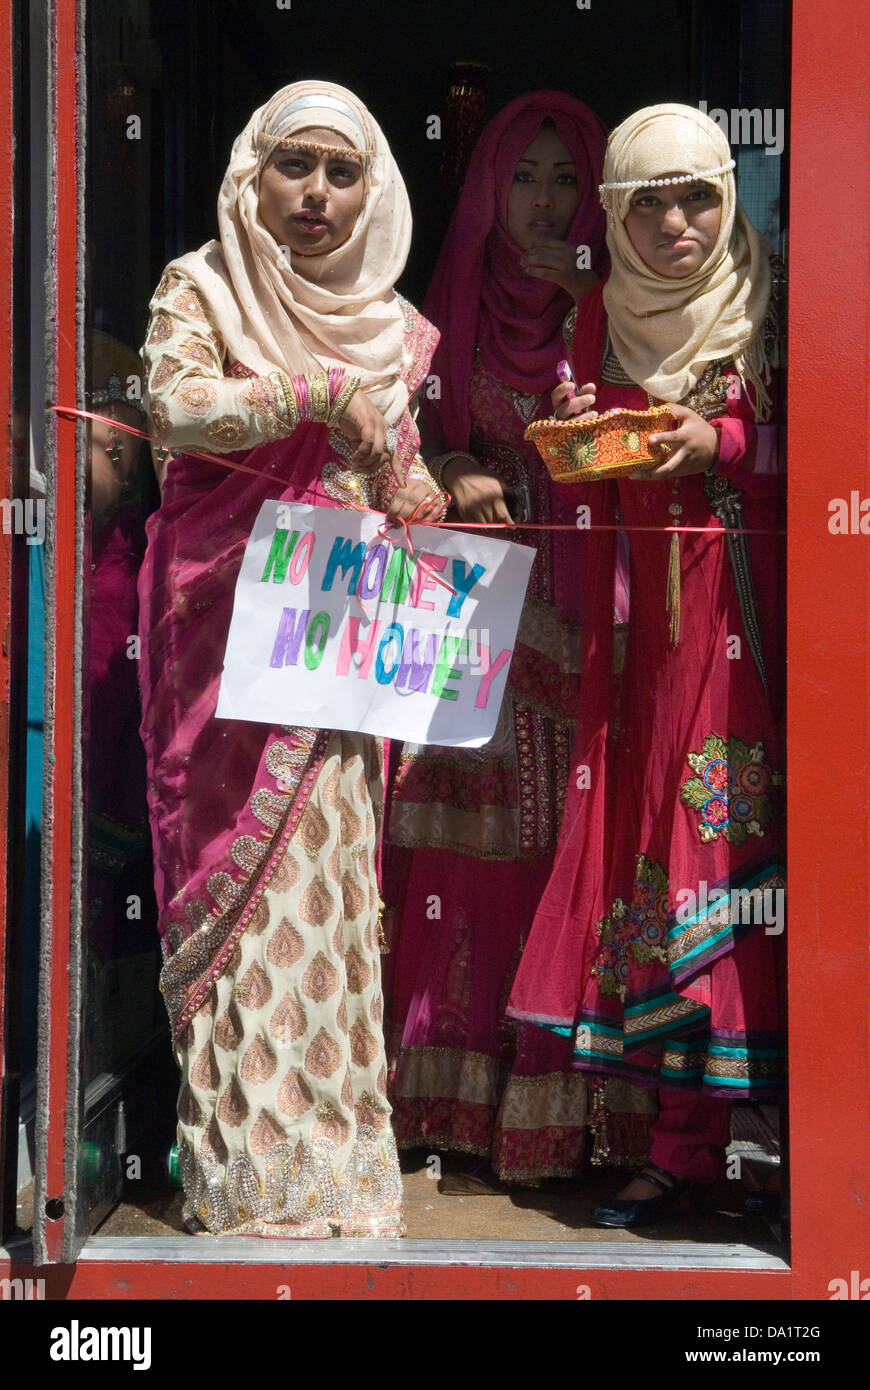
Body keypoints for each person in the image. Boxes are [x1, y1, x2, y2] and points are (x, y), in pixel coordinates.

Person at [139, 81, 447, 1238]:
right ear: (249, 174)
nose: (315, 196)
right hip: (222, 634)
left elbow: (396, 473)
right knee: (239, 886)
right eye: (294, 168)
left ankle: (335, 1170)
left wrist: (456, 514)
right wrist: (319, 392)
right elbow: (176, 408)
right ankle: (245, 1175)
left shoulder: (392, 323)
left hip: (338, 633)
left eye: (341, 173)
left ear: (374, 192)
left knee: (330, 886)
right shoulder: (202, 285)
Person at [507, 103, 785, 1225]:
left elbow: (825, 446)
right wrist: (573, 436)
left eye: (699, 196)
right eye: (648, 202)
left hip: (761, 634)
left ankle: (792, 1140)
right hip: (649, 648)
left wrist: (720, 441)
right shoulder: (596, 327)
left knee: (748, 860)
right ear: (614, 216)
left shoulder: (772, 314)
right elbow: (588, 480)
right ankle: (687, 1147)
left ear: (729, 200)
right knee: (663, 866)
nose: (677, 223)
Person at [383, 92, 612, 1185]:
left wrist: (596, 307)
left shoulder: (619, 306)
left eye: (566, 178)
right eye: (523, 176)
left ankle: (562, 1119)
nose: (544, 201)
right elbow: (394, 443)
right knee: (459, 864)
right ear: (484, 189)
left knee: (566, 847)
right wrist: (444, 469)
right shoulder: (445, 313)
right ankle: (447, 1107)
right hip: (470, 637)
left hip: (585, 638)